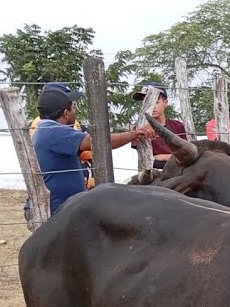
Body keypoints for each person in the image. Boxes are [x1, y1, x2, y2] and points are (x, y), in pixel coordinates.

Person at [32, 85, 149, 216]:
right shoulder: (55, 131)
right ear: (66, 113)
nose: (74, 113)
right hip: (58, 209)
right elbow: (99, 143)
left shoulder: (45, 130)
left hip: (63, 205)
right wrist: (136, 133)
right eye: (73, 109)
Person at [131, 82, 187, 170]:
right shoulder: (139, 129)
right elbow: (146, 159)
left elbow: (186, 155)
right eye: (146, 103)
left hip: (178, 172)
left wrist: (161, 157)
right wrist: (172, 157)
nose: (152, 107)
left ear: (165, 102)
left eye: (156, 102)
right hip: (152, 174)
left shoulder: (178, 126)